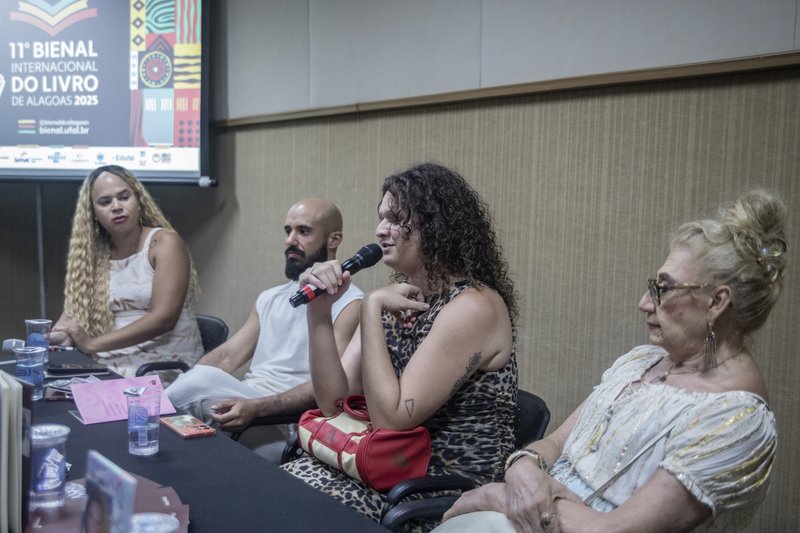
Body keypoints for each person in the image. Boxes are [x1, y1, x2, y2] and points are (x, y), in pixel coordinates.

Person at [436, 189, 785, 533]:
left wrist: (500, 496)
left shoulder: (737, 421)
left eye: (663, 288)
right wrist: (523, 469)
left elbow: (614, 530)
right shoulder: (642, 361)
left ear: (716, 302)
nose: (644, 302)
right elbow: (555, 444)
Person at [282, 163, 518, 529]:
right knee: (272, 487)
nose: (380, 230)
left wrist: (371, 308)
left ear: (436, 226)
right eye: (381, 218)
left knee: (290, 507)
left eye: (395, 219)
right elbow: (332, 403)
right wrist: (319, 311)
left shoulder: (474, 307)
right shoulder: (401, 297)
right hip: (382, 465)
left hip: (438, 486)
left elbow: (392, 419)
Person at [166, 198, 363, 461]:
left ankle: (141, 415)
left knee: (191, 391)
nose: (290, 240)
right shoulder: (269, 298)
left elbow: (330, 391)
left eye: (303, 231)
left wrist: (259, 407)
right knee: (197, 384)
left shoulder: (351, 303)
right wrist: (189, 383)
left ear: (333, 239)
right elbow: (226, 357)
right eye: (288, 231)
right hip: (247, 405)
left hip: (287, 422)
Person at [50, 165, 203, 379]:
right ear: (93, 213)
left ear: (138, 200)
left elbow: (164, 319)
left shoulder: (164, 242)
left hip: (162, 364)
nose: (117, 207)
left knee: (79, 393)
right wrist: (61, 335)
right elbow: (71, 316)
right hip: (110, 362)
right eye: (105, 202)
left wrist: (91, 344)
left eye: (124, 197)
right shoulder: (93, 256)